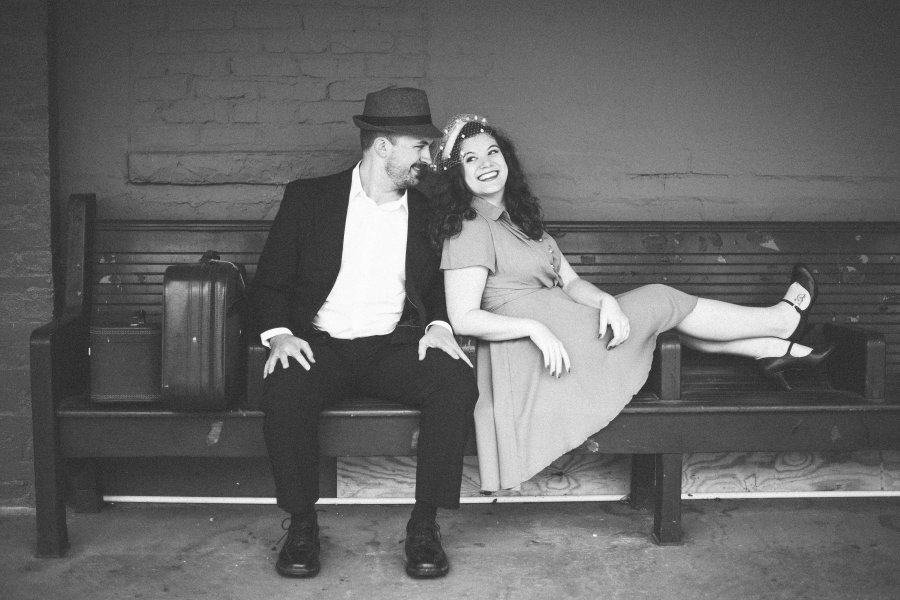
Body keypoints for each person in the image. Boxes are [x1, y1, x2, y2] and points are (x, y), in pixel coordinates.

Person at [429, 114, 833, 492]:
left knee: (662, 319)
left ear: (506, 160)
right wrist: (535, 328)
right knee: (663, 299)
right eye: (470, 157)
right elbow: (463, 317)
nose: (485, 162)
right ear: (457, 174)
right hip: (540, 349)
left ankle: (768, 349)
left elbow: (570, 284)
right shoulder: (469, 226)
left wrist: (605, 300)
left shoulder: (523, 223)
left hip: (572, 324)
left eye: (492, 151)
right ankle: (780, 321)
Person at [250, 89, 478, 579]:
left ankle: (424, 524)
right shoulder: (310, 199)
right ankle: (302, 524)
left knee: (455, 379)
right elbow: (270, 282)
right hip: (321, 346)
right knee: (284, 384)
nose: (427, 156)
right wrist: (279, 337)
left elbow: (440, 280)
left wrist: (439, 325)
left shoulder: (426, 208)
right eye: (418, 146)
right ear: (381, 147)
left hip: (391, 348)